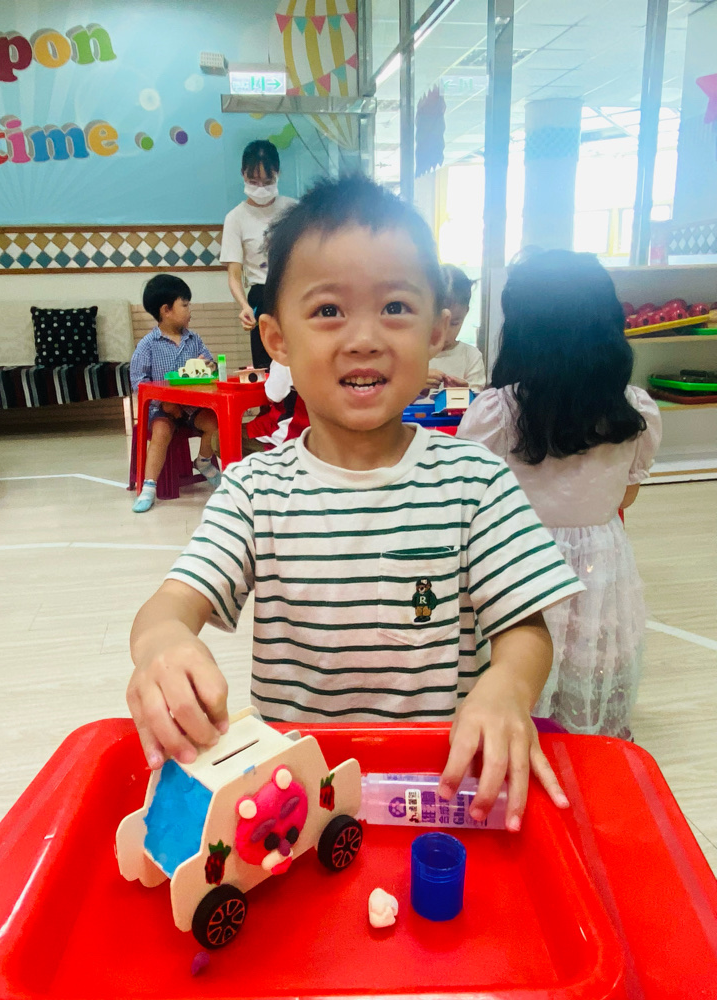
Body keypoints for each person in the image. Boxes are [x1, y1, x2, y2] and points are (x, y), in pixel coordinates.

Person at [126, 177, 584, 833]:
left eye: (396, 306)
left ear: (438, 328)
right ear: (277, 339)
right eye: (328, 310)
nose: (364, 338)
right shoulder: (254, 490)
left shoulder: (476, 480)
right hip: (297, 807)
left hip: (438, 789)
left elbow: (525, 627)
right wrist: (161, 644)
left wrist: (508, 687)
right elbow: (172, 603)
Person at [458, 250, 662, 739]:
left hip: (517, 563)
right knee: (589, 658)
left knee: (516, 662)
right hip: (601, 563)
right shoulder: (635, 409)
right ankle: (589, 745)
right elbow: (625, 500)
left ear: (522, 330)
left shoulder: (498, 411)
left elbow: (469, 500)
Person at [130, 274, 221, 513]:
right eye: (185, 305)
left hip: (192, 407)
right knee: (161, 431)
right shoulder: (148, 345)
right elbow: (138, 382)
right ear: (166, 310)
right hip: (163, 409)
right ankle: (149, 487)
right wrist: (163, 403)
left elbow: (210, 366)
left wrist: (210, 366)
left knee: (215, 422)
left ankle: (203, 461)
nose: (190, 311)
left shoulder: (194, 339)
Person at [220, 140, 297, 369]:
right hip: (260, 296)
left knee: (299, 362)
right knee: (267, 367)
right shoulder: (235, 218)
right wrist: (244, 306)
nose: (260, 188)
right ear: (242, 174)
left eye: (267, 181)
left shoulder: (294, 210)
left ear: (278, 173)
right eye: (253, 181)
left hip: (291, 293)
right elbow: (234, 275)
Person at [426, 265, 485, 392]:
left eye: (454, 323)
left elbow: (478, 402)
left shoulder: (471, 357)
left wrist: (467, 393)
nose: (445, 333)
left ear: (466, 312)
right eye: (437, 322)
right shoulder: (411, 354)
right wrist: (414, 385)